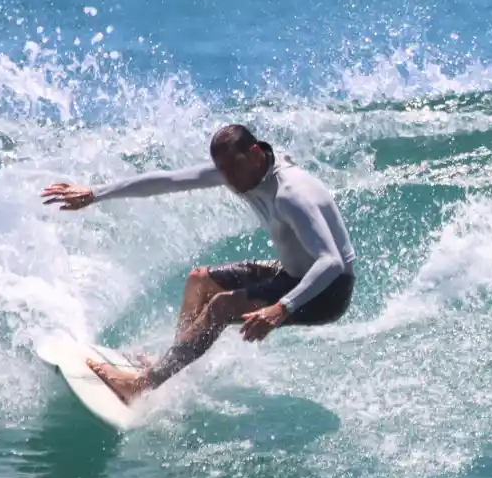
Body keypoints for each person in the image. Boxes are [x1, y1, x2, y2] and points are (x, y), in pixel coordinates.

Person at [40, 123, 355, 404]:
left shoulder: (291, 194)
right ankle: (171, 366)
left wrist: (281, 308)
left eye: (236, 168)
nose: (231, 180)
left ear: (256, 152)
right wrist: (95, 194)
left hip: (326, 291)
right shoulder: (240, 169)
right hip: (291, 271)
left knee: (220, 306)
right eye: (224, 172)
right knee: (199, 280)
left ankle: (142, 384)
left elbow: (331, 262)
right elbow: (169, 181)